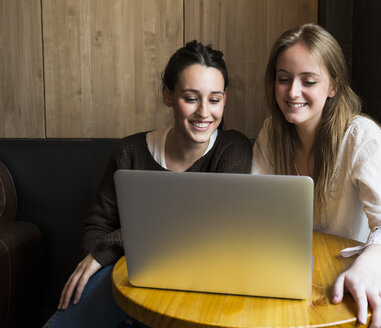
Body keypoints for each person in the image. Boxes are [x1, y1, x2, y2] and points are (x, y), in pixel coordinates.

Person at [44, 40, 252, 328]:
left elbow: (207, 226)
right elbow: (97, 228)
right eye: (191, 98)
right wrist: (111, 259)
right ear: (167, 95)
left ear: (225, 99)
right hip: (129, 280)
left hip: (200, 287)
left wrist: (114, 245)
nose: (204, 112)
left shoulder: (232, 149)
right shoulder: (129, 151)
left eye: (214, 100)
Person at [252, 23, 381, 328]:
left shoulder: (359, 135)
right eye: (283, 79)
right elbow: (257, 212)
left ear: (333, 86)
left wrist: (367, 269)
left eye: (308, 81)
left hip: (374, 279)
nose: (293, 92)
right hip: (305, 280)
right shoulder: (271, 132)